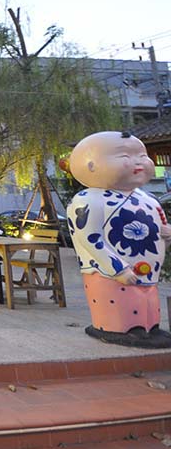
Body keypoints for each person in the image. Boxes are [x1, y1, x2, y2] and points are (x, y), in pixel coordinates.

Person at [67, 131, 171, 348]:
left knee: (148, 300)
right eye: (125, 156)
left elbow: (160, 229)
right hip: (108, 271)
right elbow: (90, 238)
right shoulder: (88, 200)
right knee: (120, 302)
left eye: (142, 156)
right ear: (91, 165)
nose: (138, 162)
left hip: (148, 267)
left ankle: (150, 327)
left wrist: (166, 235)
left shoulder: (149, 199)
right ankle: (119, 328)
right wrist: (117, 268)